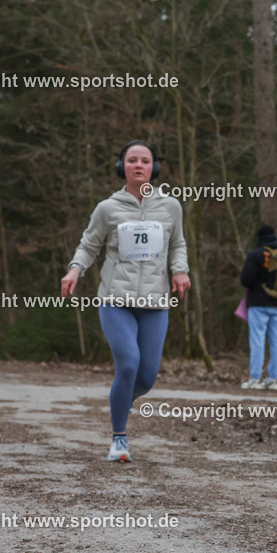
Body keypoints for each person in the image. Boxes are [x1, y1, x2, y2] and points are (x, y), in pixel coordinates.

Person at [60, 140, 190, 463]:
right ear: (123, 167)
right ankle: (119, 438)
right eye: (132, 160)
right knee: (128, 363)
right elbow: (89, 245)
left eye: (145, 160)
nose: (138, 165)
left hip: (155, 303)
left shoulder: (171, 206)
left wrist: (180, 270)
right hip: (115, 300)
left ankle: (121, 400)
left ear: (154, 167)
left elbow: (178, 244)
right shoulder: (107, 208)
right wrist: (75, 269)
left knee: (146, 378)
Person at [240, 224, 277, 391]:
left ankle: (255, 378)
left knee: (257, 341)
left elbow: (246, 280)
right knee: (276, 341)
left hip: (258, 304)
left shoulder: (256, 255)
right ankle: (273, 379)